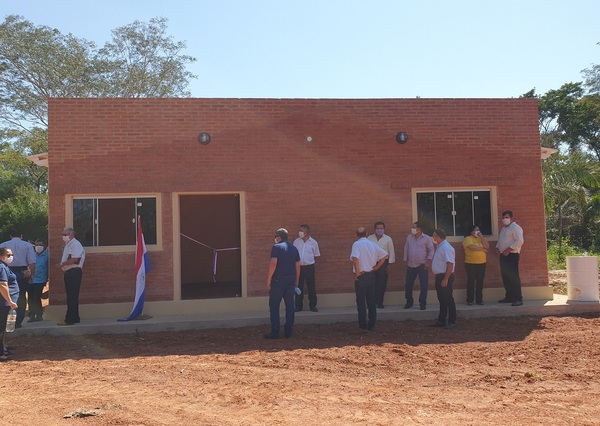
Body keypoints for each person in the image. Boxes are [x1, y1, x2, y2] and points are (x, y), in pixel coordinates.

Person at [350, 226, 388, 331]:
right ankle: (372, 324)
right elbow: (384, 255)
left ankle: (362, 325)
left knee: (361, 302)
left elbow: (356, 259)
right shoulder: (372, 244)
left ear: (356, 234)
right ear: (366, 233)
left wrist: (357, 273)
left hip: (361, 275)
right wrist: (376, 267)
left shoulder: (356, 244)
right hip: (371, 274)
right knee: (371, 300)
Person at [265, 228, 300, 339]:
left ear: (278, 238)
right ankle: (288, 331)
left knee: (274, 305)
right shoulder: (294, 248)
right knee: (290, 306)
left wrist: (268, 279)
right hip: (291, 280)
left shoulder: (276, 247)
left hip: (278, 280)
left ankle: (275, 331)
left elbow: (273, 263)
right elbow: (298, 266)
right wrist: (296, 281)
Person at [0, 229, 36, 328]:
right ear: (21, 235)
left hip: (8, 270)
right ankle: (17, 322)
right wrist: (32, 275)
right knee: (21, 297)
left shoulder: (3, 245)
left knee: (5, 297)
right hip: (22, 272)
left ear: (10, 235)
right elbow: (32, 262)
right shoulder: (27, 245)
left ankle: (6, 322)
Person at [403, 222, 434, 310]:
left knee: (424, 285)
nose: (412, 229)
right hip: (410, 265)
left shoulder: (426, 238)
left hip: (422, 265)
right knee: (408, 285)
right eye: (412, 227)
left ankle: (422, 303)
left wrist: (428, 261)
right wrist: (405, 260)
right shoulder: (409, 237)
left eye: (414, 227)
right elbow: (406, 248)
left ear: (419, 229)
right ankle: (409, 302)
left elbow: (431, 250)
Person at [496, 210, 524, 306]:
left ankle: (518, 298)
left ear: (511, 218)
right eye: (503, 217)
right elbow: (501, 240)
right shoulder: (504, 228)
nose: (505, 219)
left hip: (512, 255)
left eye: (507, 217)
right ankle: (509, 296)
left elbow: (519, 241)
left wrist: (508, 249)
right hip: (503, 255)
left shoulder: (515, 228)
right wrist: (497, 247)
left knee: (513, 277)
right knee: (506, 277)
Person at [59, 227, 85, 326]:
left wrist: (62, 264)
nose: (63, 236)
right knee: (71, 296)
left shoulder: (75, 244)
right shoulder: (68, 245)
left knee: (72, 296)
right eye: (63, 234)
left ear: (71, 234)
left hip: (74, 271)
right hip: (69, 272)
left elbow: (75, 259)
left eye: (65, 234)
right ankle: (75, 317)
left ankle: (69, 319)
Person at [431, 229, 457, 329]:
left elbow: (450, 263)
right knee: (442, 299)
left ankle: (452, 320)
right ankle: (441, 320)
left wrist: (446, 278)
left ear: (440, 237)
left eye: (435, 237)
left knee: (448, 298)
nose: (434, 238)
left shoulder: (446, 247)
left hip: (445, 276)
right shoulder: (440, 247)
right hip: (440, 276)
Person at [367, 221, 395, 309]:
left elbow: (391, 251)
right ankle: (371, 303)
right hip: (372, 263)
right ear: (374, 229)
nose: (380, 230)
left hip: (384, 263)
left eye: (381, 228)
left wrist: (389, 264)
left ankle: (379, 302)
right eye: (378, 228)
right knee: (371, 283)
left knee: (381, 283)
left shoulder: (388, 239)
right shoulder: (369, 238)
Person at [293, 224, 321, 312]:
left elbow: (316, 255)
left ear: (307, 231)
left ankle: (313, 305)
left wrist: (309, 261)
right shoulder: (296, 242)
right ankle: (298, 306)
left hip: (309, 267)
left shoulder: (313, 242)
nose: (300, 232)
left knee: (311, 286)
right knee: (298, 286)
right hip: (298, 267)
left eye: (301, 230)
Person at [0, 247, 19, 362]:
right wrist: (10, 301)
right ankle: (1, 353)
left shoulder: (4, 266)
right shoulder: (1, 267)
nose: (11, 256)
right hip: (3, 303)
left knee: (5, 327)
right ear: (1, 256)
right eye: (8, 255)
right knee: (1, 328)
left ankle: (3, 347)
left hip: (6, 303)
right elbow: (2, 285)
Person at [462, 225, 489, 305]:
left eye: (479, 230)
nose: (478, 231)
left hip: (482, 263)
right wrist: (482, 249)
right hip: (471, 263)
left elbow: (487, 246)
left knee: (480, 282)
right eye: (476, 230)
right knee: (471, 281)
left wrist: (482, 237)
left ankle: (479, 300)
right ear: (471, 231)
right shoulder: (468, 238)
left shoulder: (481, 239)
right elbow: (471, 247)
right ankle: (470, 300)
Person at [28, 239, 49, 322]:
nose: (38, 247)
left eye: (40, 245)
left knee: (36, 297)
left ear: (44, 246)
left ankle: (39, 314)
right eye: (36, 245)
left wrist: (47, 279)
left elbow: (48, 268)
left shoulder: (47, 256)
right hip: (31, 279)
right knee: (30, 298)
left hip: (41, 279)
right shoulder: (32, 255)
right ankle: (32, 315)